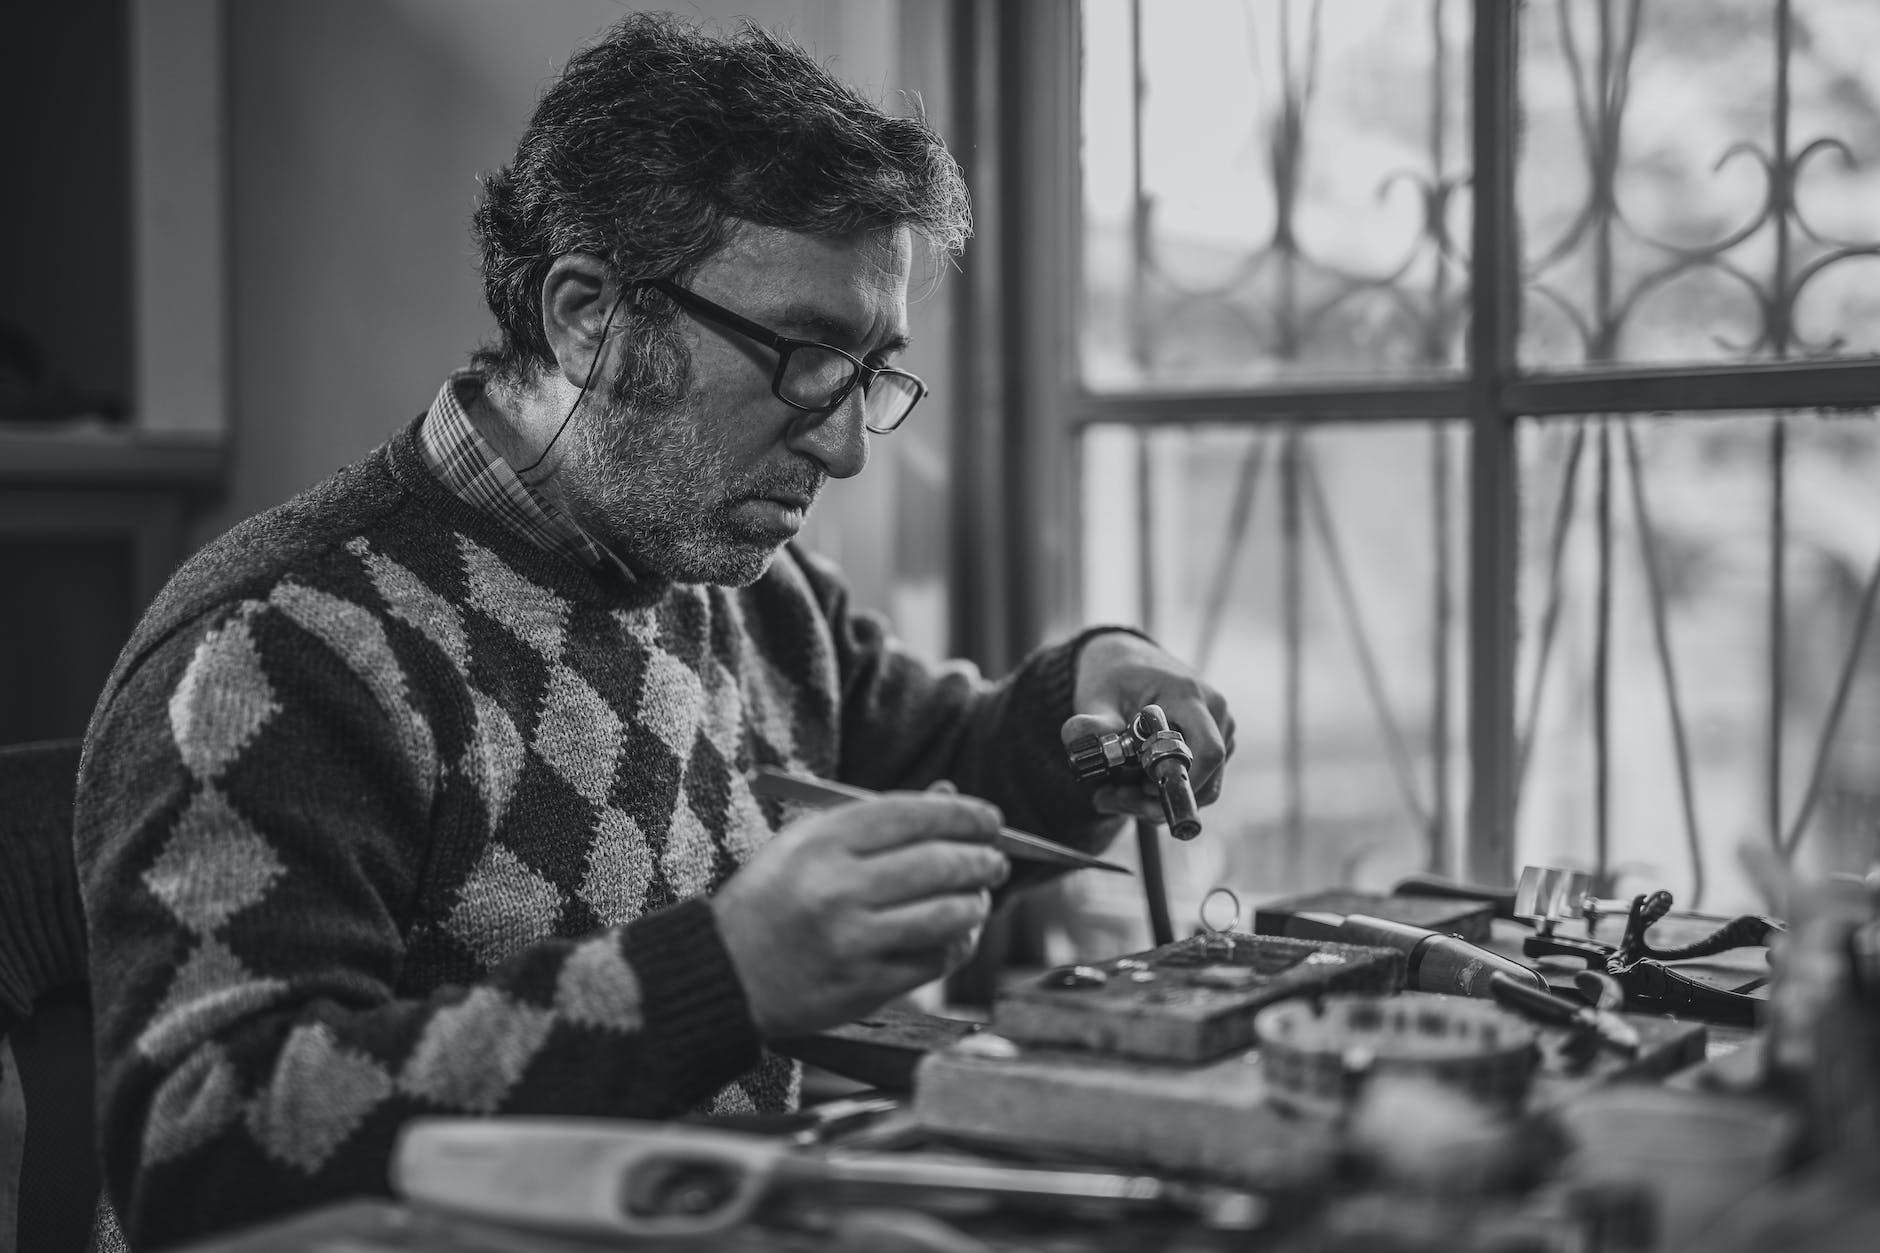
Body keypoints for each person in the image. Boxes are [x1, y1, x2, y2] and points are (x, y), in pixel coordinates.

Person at [74, 13, 1232, 1249]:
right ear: (585, 313)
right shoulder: (278, 649)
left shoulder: (742, 581)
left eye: (869, 371)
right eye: (803, 356)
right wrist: (718, 974)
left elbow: (953, 768)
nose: (842, 444)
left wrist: (1089, 701)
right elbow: (202, 1149)